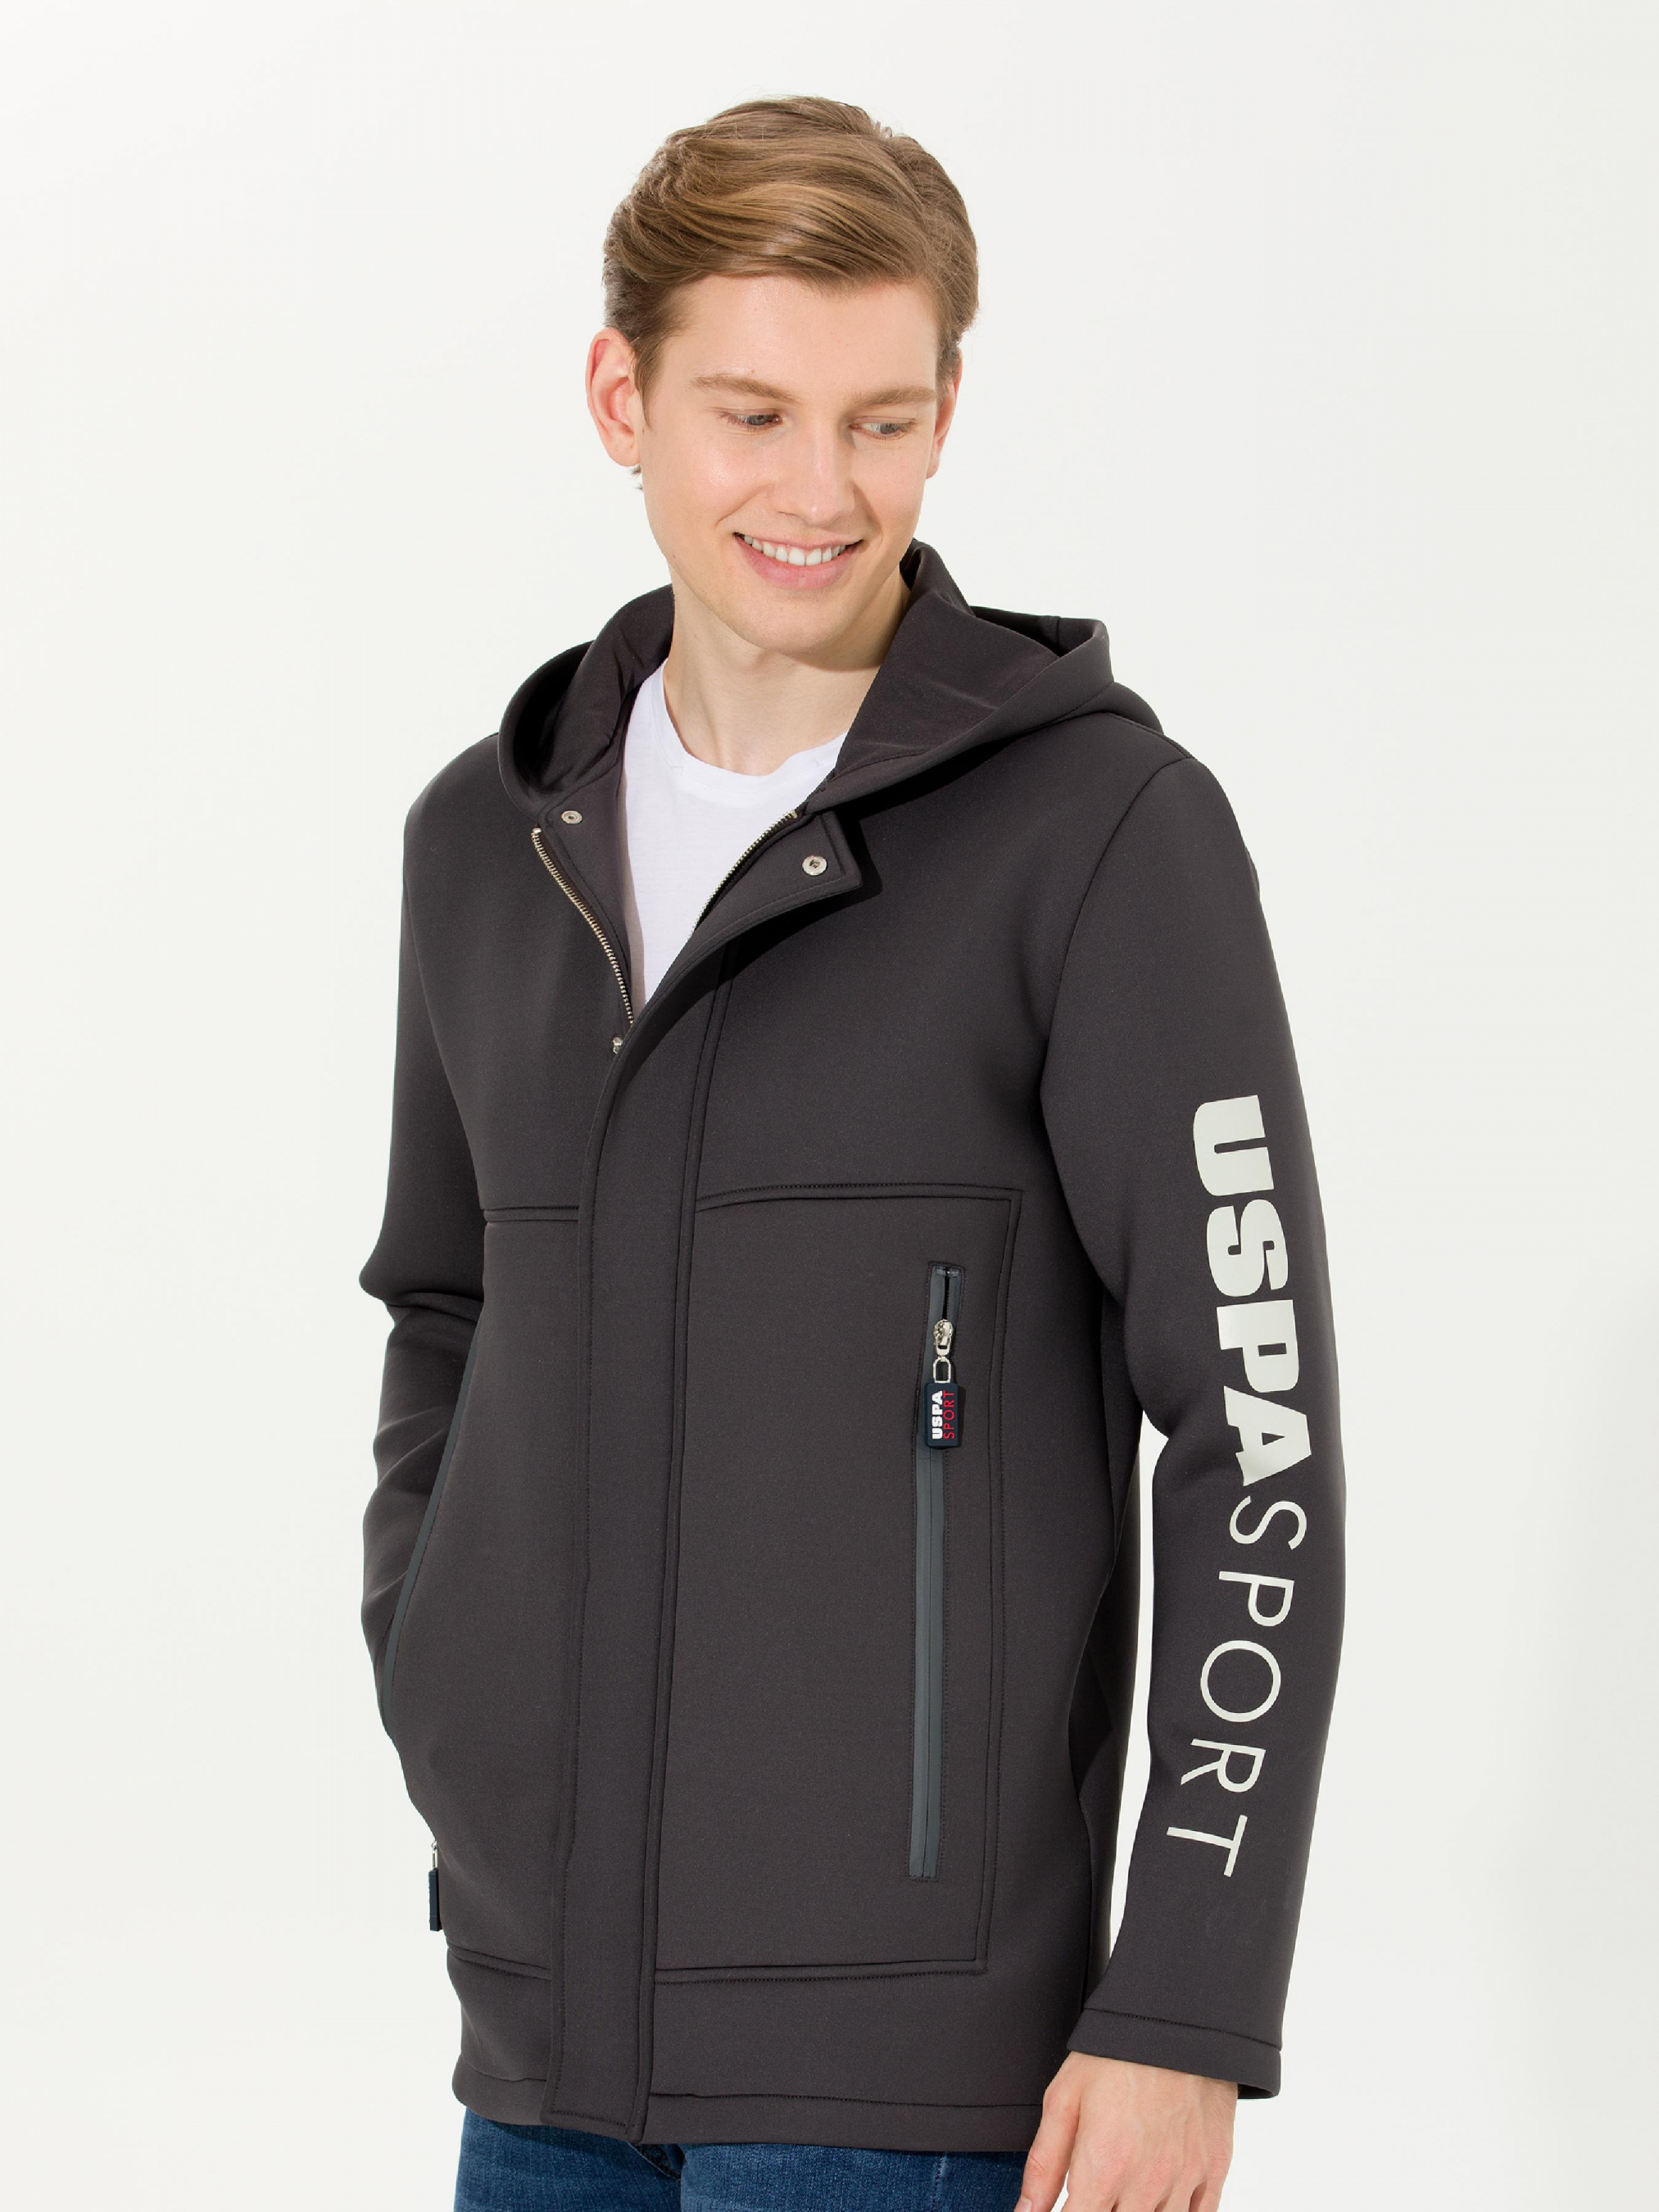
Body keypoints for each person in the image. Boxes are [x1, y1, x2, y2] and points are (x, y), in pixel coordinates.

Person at [358, 94, 1345, 2212]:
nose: (821, 492)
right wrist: (447, 1684)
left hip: (907, 2079)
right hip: (537, 2044)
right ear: (620, 399)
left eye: (882, 422)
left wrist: (1186, 2003)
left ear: (945, 414)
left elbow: (1251, 1428)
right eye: (753, 415)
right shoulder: (487, 845)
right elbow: (446, 1308)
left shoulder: (1099, 836)